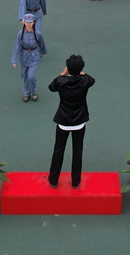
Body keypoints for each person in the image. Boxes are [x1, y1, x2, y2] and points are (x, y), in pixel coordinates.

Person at [47, 54, 96, 189]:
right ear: (81, 68)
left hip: (63, 122)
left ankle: (53, 180)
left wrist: (63, 73)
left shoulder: (60, 81)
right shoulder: (85, 81)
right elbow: (92, 80)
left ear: (68, 68)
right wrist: (80, 71)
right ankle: (75, 181)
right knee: (77, 151)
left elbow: (51, 87)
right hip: (79, 122)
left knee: (58, 150)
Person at [11, 13, 48, 102]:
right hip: (24, 57)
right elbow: (17, 46)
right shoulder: (20, 34)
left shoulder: (37, 33)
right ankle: (26, 93)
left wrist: (44, 51)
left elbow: (41, 43)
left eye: (30, 22)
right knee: (24, 75)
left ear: (33, 22)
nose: (28, 24)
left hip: (34, 57)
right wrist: (14, 60)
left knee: (31, 76)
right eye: (27, 22)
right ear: (24, 22)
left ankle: (34, 92)